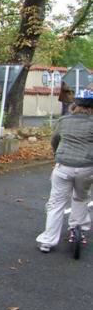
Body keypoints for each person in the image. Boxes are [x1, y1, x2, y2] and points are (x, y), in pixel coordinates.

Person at [35, 88, 93, 253]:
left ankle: (47, 241)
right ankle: (77, 229)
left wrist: (57, 154)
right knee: (81, 198)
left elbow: (55, 140)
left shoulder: (64, 121)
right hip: (87, 168)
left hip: (63, 167)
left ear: (76, 104)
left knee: (56, 203)